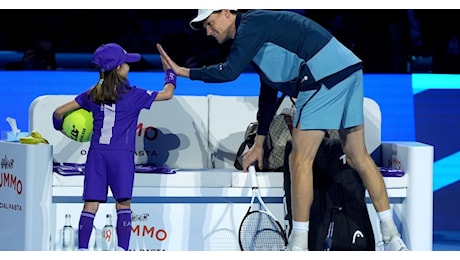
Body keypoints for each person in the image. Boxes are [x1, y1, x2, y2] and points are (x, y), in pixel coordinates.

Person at [157, 9, 409, 251]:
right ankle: (392, 237)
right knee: (357, 156)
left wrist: (184, 72)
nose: (208, 31)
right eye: (205, 27)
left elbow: (229, 72)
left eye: (210, 23)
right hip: (349, 69)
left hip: (320, 74)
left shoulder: (250, 26)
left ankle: (298, 245)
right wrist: (259, 142)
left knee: (299, 159)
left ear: (227, 12)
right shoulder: (257, 32)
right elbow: (268, 91)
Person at [52, 43, 177, 251]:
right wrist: (170, 74)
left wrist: (61, 129)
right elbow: (168, 94)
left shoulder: (92, 93)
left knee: (90, 206)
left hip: (96, 155)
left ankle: (82, 250)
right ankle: (121, 251)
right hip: (122, 156)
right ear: (119, 69)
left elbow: (58, 113)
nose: (129, 66)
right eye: (127, 63)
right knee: (123, 205)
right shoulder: (134, 94)